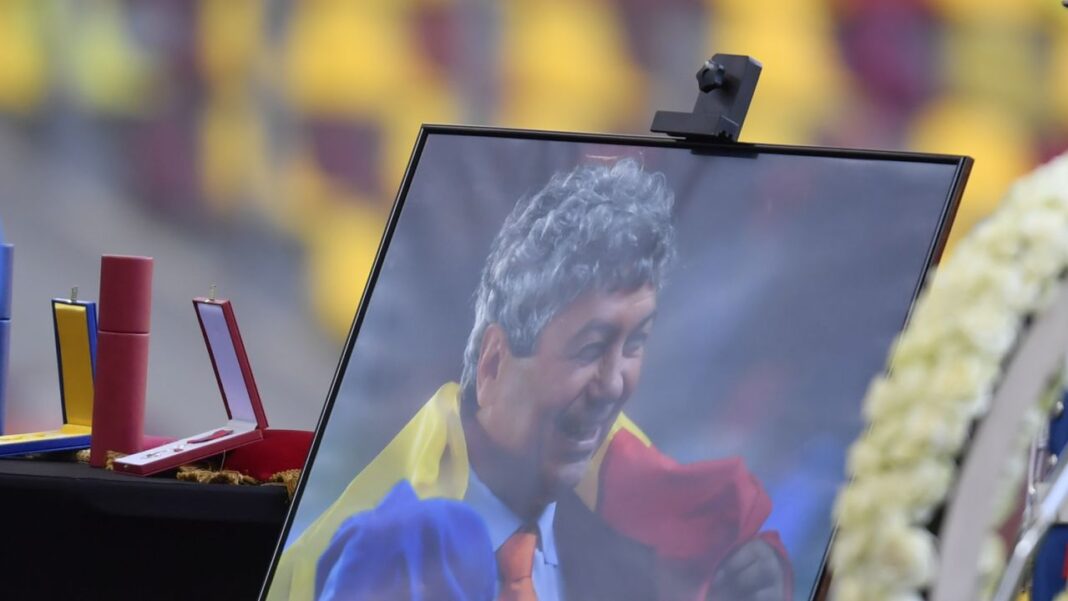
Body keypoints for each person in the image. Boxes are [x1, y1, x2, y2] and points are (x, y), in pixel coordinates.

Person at [269, 159, 791, 601]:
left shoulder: (628, 541)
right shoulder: (391, 549)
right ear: (493, 363)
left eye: (635, 344)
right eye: (591, 348)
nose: (614, 384)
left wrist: (749, 576)